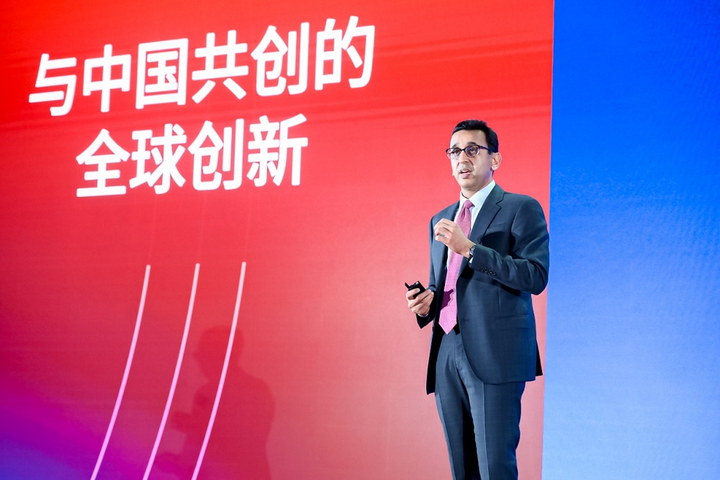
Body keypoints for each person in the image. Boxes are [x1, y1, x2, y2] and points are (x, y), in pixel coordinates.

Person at [406, 119, 549, 479]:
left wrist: (470, 249)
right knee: (463, 469)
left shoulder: (520, 207)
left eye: (472, 149)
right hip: (446, 349)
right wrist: (427, 302)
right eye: (455, 151)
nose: (462, 158)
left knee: (494, 467)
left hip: (495, 351)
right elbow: (443, 284)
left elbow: (535, 275)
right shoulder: (441, 219)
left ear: (494, 159)